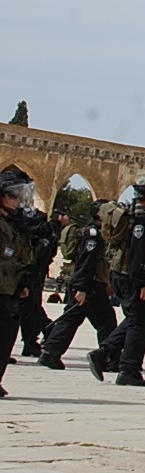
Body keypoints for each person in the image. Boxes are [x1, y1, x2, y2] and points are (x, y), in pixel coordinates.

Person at [90, 176, 145, 386]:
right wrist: (143, 282)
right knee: (140, 323)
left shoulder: (132, 213)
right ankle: (128, 369)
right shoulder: (142, 219)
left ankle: (105, 352)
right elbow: (137, 254)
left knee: (135, 319)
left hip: (120, 273)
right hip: (130, 276)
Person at [39, 199, 118, 369]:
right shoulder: (94, 235)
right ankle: (109, 359)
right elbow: (86, 262)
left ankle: (50, 352)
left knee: (71, 318)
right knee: (106, 322)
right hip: (89, 285)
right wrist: (82, 287)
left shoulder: (95, 232)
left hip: (82, 283)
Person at [0, 167, 39, 398]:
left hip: (7, 289)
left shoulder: (12, 224)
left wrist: (21, 283)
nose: (17, 201)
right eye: (12, 195)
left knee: (7, 334)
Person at [15, 205, 59, 356]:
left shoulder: (29, 232)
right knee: (27, 309)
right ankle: (44, 332)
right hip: (28, 274)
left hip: (30, 275)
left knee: (30, 308)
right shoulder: (40, 234)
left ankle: (35, 338)